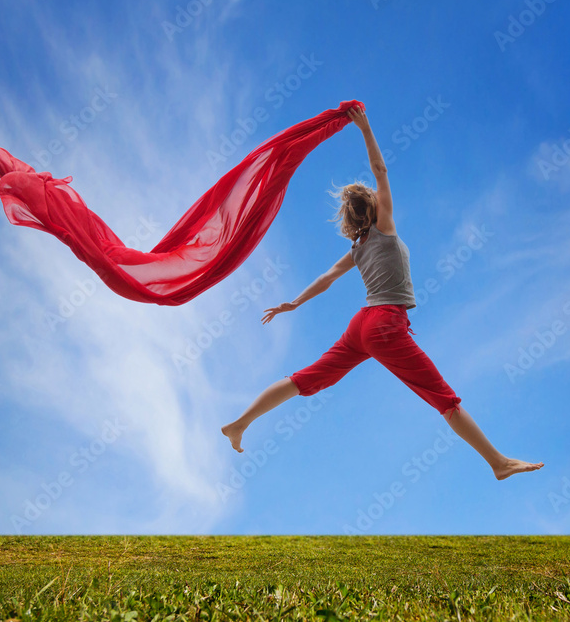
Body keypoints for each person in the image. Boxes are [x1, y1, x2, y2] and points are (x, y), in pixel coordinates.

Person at [221, 106, 543, 481]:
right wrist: (366, 129)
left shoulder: (357, 249)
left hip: (361, 327)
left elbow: (326, 278)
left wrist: (295, 303)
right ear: (373, 208)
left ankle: (241, 422)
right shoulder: (384, 225)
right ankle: (498, 463)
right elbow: (381, 170)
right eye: (376, 195)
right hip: (385, 324)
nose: (380, 193)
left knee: (302, 379)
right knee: (444, 398)